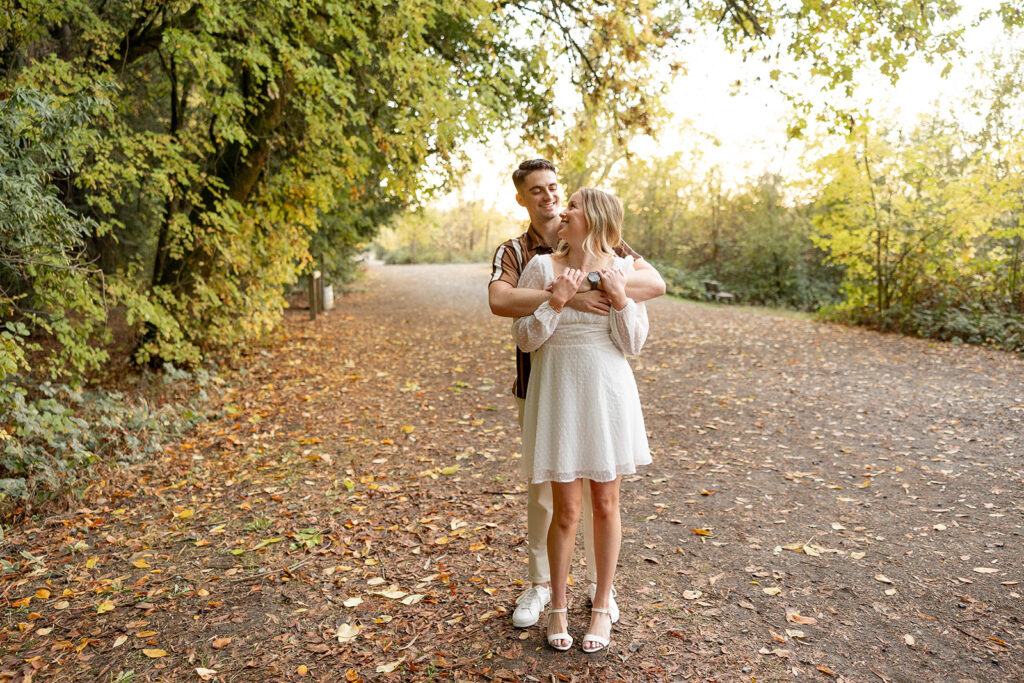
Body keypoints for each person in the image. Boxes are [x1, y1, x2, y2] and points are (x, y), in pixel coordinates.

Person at [487, 160, 664, 632]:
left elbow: (651, 298)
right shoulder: (522, 255)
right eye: (540, 192)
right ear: (524, 198)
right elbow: (504, 308)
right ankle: (544, 591)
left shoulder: (618, 256)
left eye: (560, 194)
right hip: (548, 389)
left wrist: (610, 290)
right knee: (553, 502)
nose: (554, 202)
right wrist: (559, 297)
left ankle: (599, 597)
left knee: (604, 501)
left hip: (606, 394)